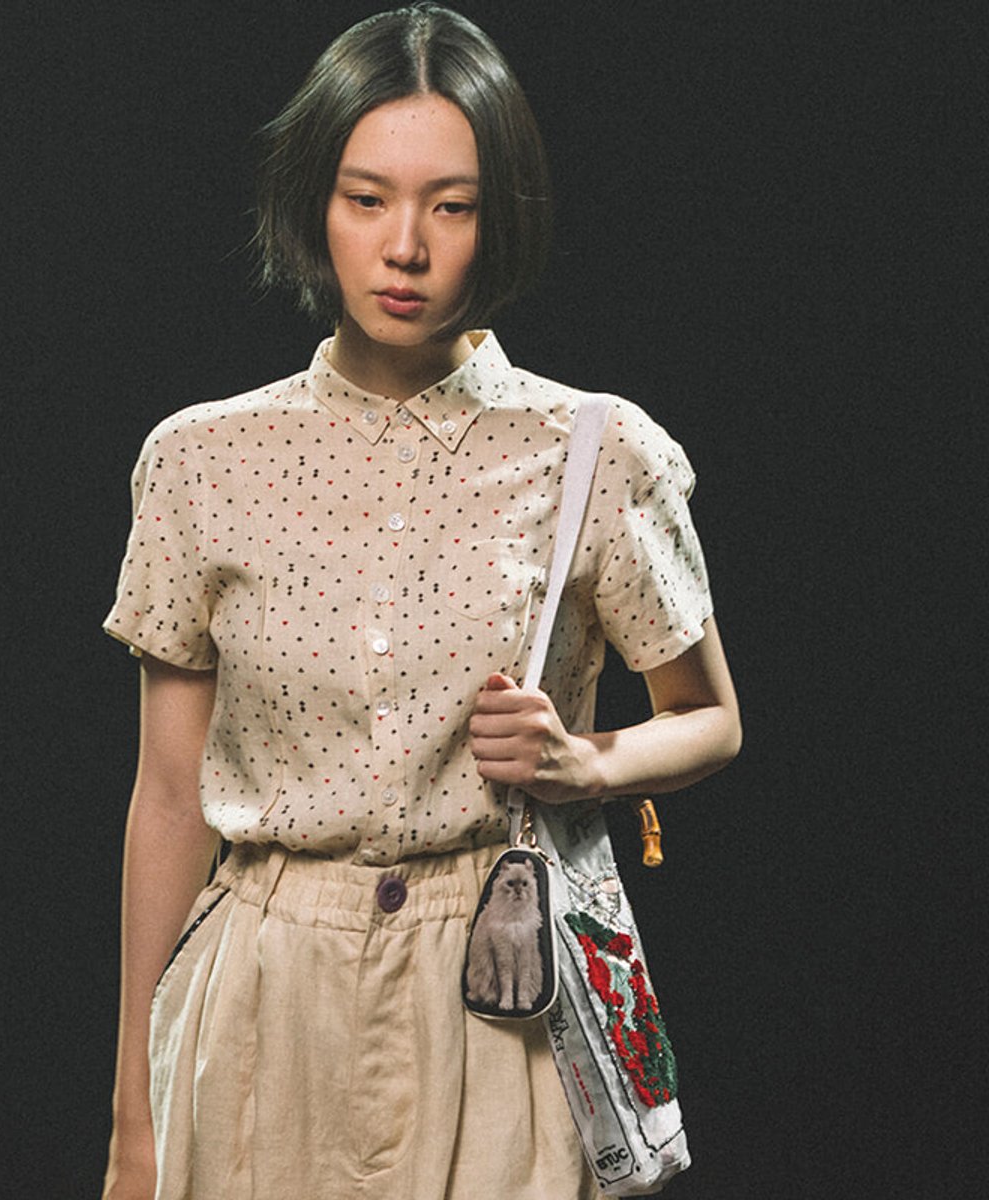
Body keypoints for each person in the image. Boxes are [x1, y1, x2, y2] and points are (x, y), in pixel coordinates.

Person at [100, 6, 741, 1199]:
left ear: (502, 220)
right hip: (262, 983)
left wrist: (584, 764)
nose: (407, 245)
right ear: (313, 208)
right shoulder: (201, 460)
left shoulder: (599, 450)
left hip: (493, 985)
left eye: (452, 204)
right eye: (365, 199)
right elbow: (171, 795)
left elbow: (710, 715)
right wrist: (135, 1122)